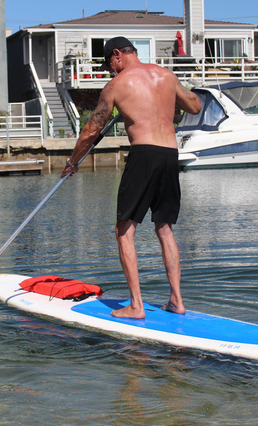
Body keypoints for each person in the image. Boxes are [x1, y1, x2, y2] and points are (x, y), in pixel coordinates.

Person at [61, 37, 201, 319]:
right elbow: (195, 106)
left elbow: (91, 130)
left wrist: (72, 162)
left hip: (144, 154)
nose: (111, 71)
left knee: (124, 230)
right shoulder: (166, 75)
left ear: (117, 56)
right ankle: (177, 300)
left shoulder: (117, 84)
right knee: (164, 228)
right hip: (170, 154)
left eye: (110, 65)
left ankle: (136, 305)